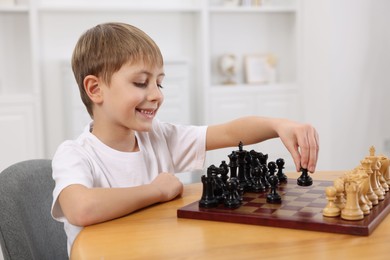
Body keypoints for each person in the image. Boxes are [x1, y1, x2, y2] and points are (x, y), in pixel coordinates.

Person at [51, 22, 319, 256]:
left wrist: (278, 125)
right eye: (141, 83)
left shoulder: (160, 138)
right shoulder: (75, 154)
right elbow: (81, 208)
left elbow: (227, 132)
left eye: (160, 83)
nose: (157, 94)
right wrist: (157, 190)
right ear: (95, 89)